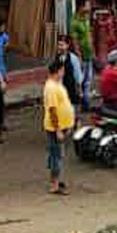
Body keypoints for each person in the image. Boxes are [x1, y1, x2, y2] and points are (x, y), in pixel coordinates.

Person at [43, 58, 75, 196]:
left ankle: (56, 180)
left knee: (57, 154)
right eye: (62, 70)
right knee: (56, 155)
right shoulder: (51, 88)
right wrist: (58, 130)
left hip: (61, 126)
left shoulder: (56, 84)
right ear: (59, 71)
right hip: (55, 128)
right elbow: (52, 110)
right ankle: (54, 184)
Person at [70, 0, 95, 110]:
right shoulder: (74, 22)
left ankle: (86, 102)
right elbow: (74, 41)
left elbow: (89, 35)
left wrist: (93, 50)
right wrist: (79, 56)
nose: (89, 7)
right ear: (81, 6)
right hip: (82, 56)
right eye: (87, 5)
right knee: (81, 80)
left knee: (88, 80)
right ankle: (80, 103)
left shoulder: (85, 19)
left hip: (88, 54)